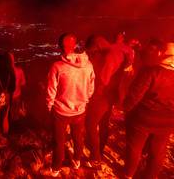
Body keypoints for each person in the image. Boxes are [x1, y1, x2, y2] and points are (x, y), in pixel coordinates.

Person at [123, 42, 174, 179]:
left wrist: (127, 110)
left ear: (162, 53)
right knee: (158, 152)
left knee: (135, 148)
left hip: (144, 118)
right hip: (168, 120)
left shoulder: (152, 71)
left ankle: (128, 175)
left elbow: (135, 94)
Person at [42, 33, 95, 177]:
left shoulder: (57, 66)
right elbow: (91, 88)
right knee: (78, 137)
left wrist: (49, 106)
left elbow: (51, 90)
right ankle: (77, 160)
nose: (65, 48)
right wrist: (83, 101)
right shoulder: (88, 65)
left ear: (60, 46)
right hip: (80, 110)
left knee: (59, 142)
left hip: (61, 111)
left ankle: (56, 168)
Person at [85, 35, 132, 167]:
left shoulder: (109, 56)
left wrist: (93, 93)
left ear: (97, 46)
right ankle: (100, 149)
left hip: (102, 95)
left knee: (90, 124)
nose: (91, 52)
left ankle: (95, 157)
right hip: (112, 94)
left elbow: (103, 79)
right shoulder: (119, 51)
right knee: (104, 122)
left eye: (92, 49)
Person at [9, 53, 27, 122]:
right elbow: (23, 83)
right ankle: (16, 127)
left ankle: (10, 129)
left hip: (9, 97)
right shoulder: (19, 71)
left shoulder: (5, 72)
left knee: (8, 115)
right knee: (16, 115)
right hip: (17, 96)